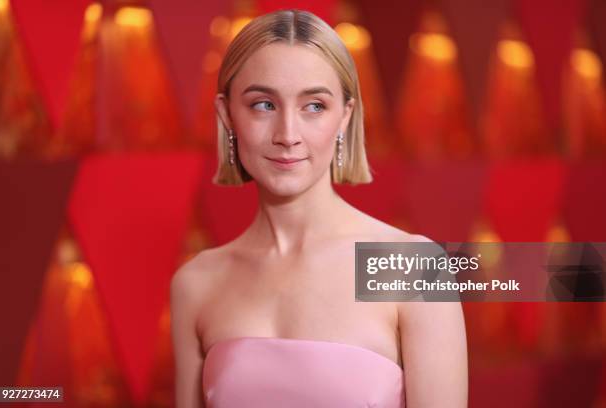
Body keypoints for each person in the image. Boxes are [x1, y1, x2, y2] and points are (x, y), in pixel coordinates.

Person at [170, 8, 467, 408]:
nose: (288, 135)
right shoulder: (196, 283)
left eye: (313, 106)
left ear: (344, 117)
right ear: (227, 115)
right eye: (263, 104)